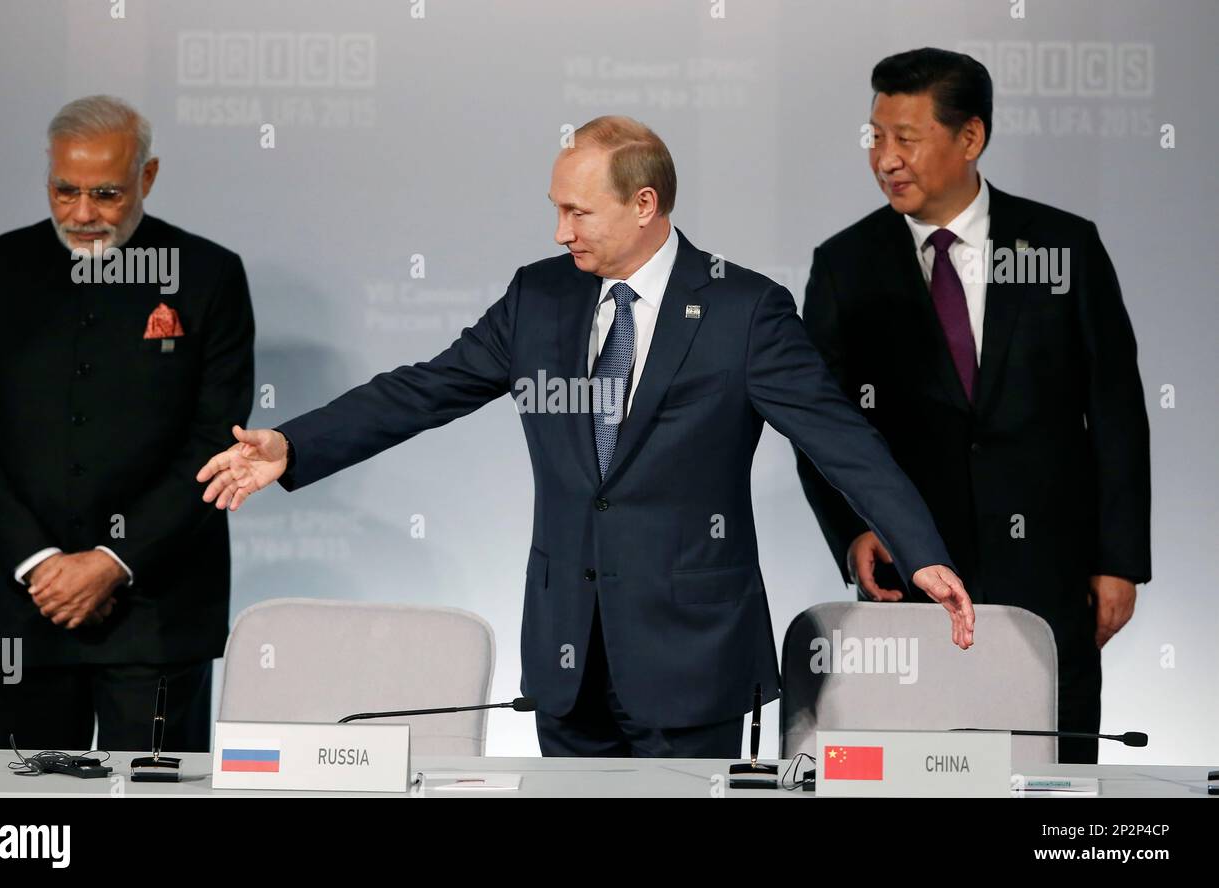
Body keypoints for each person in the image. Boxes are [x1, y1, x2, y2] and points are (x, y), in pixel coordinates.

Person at [198, 115, 974, 758]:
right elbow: (426, 388)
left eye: (578, 212)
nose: (560, 229)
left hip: (691, 656)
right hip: (567, 654)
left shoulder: (744, 311)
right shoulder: (540, 295)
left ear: (644, 204)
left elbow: (840, 438)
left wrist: (922, 550)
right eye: (556, 208)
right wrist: (294, 446)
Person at [795, 49, 1150, 763]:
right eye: (876, 137)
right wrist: (852, 530)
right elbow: (819, 419)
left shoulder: (1064, 245)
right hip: (912, 577)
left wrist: (1120, 560)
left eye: (906, 137)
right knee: (917, 773)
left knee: (1053, 777)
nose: (885, 158)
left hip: (1050, 577)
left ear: (970, 138)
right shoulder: (845, 264)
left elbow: (1115, 409)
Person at [0, 95, 255, 752]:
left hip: (158, 609)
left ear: (149, 176)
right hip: (21, 608)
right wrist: (42, 563)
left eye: (106, 194)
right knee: (24, 823)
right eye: (64, 190)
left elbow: (214, 440)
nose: (82, 214)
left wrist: (113, 561)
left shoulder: (209, 275)